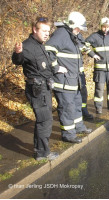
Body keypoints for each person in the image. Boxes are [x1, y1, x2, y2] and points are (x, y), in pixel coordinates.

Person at [12, 17, 58, 161]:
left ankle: (41, 151)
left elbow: (45, 66)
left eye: (48, 31)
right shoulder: (27, 46)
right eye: (44, 31)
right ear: (34, 30)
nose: (46, 34)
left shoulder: (40, 45)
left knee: (45, 120)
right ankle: (42, 153)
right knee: (44, 120)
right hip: (37, 90)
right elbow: (18, 61)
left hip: (45, 88)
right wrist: (18, 53)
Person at [45, 12, 92, 144]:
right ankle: (68, 134)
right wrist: (56, 68)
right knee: (67, 108)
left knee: (77, 104)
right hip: (63, 82)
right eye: (78, 28)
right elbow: (48, 51)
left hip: (73, 80)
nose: (79, 31)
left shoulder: (72, 35)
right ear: (72, 25)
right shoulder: (61, 34)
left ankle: (79, 127)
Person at [85, 17, 109, 114]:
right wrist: (92, 54)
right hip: (100, 70)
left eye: (107, 27)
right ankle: (98, 108)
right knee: (99, 89)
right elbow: (83, 44)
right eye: (104, 27)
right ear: (101, 26)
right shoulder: (94, 36)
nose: (106, 29)